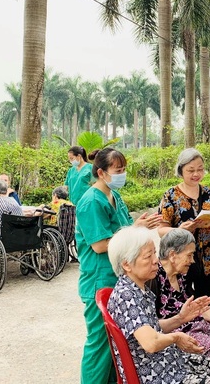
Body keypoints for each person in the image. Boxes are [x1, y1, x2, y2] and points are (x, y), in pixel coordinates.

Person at [75, 147, 161, 384]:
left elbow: (123, 230)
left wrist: (138, 225)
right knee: (100, 342)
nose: (122, 175)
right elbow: (100, 245)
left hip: (116, 277)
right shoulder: (91, 202)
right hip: (98, 278)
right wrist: (136, 230)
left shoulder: (114, 195)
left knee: (117, 343)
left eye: (124, 170)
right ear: (101, 173)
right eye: (118, 170)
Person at [108, 225, 210, 384]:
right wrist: (176, 337)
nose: (155, 260)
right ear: (126, 264)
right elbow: (151, 343)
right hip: (159, 375)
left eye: (154, 253)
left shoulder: (138, 288)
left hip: (172, 363)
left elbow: (151, 327)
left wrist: (180, 318)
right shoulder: (126, 295)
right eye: (148, 256)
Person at [158, 148, 210, 308]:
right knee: (184, 305)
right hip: (181, 261)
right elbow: (161, 230)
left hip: (208, 258)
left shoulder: (209, 193)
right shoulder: (171, 195)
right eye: (191, 170)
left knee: (207, 303)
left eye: (200, 169)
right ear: (180, 170)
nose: (196, 174)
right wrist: (179, 230)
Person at [148, 228, 210, 360]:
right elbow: (150, 325)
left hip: (195, 324)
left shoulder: (181, 274)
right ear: (172, 255)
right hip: (176, 333)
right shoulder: (153, 279)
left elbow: (195, 305)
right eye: (189, 255)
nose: (192, 260)